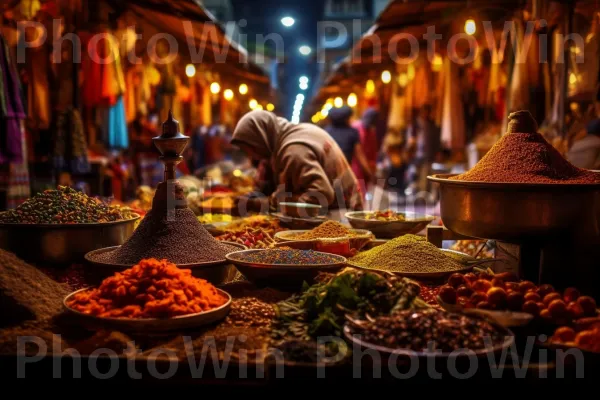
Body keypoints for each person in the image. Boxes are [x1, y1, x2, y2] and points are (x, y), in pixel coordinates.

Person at [231, 110, 363, 211]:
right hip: (344, 208)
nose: (252, 157)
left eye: (251, 149)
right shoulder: (291, 136)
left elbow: (321, 195)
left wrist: (263, 203)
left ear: (261, 139)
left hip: (342, 215)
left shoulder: (293, 150)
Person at [325, 106, 374, 183]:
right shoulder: (352, 132)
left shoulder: (326, 131)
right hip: (343, 174)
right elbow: (360, 156)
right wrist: (369, 173)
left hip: (326, 173)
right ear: (346, 119)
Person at [407, 104, 441, 191]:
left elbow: (435, 140)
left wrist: (437, 152)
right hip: (416, 155)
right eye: (424, 112)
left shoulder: (431, 125)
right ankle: (416, 193)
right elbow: (410, 139)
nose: (425, 114)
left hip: (427, 155)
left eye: (427, 112)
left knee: (425, 176)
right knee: (414, 175)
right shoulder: (415, 124)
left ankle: (422, 195)